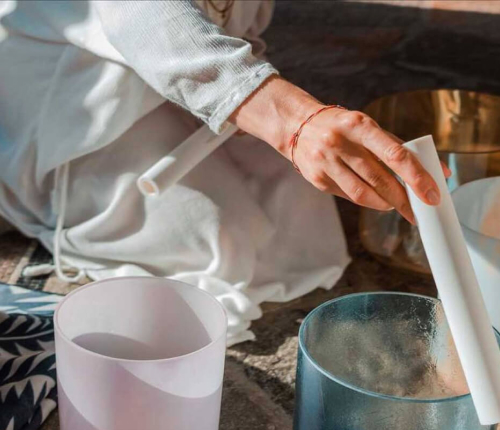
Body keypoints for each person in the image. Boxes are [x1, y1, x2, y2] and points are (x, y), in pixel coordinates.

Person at [0, 0, 445, 344]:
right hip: (80, 94)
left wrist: (259, 106)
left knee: (301, 215)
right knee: (219, 243)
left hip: (175, 68)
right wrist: (291, 119)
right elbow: (141, 13)